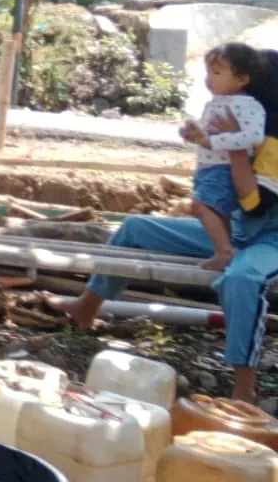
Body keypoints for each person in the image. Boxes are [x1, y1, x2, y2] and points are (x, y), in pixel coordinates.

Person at [51, 99, 278, 403]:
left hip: (270, 241)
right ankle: (87, 307)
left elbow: (254, 201)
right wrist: (201, 135)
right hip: (235, 230)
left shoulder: (265, 139)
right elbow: (219, 173)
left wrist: (236, 146)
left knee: (242, 278)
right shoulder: (252, 122)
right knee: (135, 227)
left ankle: (244, 388)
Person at [189, 43, 269, 272]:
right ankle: (223, 249)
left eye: (217, 73)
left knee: (201, 206)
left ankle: (224, 251)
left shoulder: (247, 105)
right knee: (216, 210)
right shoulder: (216, 102)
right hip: (207, 166)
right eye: (208, 72)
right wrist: (194, 134)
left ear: (242, 79)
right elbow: (208, 134)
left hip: (222, 169)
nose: (209, 79)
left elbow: (252, 138)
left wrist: (210, 141)